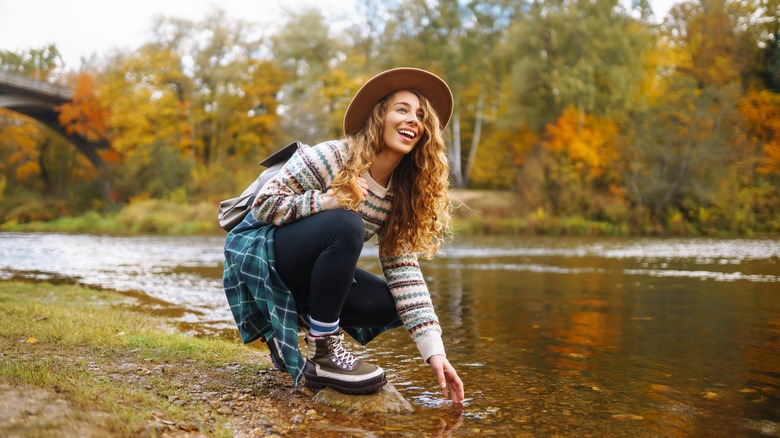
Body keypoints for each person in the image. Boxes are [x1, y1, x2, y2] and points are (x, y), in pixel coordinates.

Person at [223, 67, 465, 404]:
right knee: (346, 222)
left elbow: (403, 270)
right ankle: (324, 349)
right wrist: (329, 201)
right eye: (402, 109)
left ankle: (288, 335)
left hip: (306, 269)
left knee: (390, 303)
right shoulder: (333, 157)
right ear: (379, 117)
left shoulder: (401, 194)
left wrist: (435, 352)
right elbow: (264, 206)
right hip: (261, 253)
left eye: (421, 115)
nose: (413, 120)